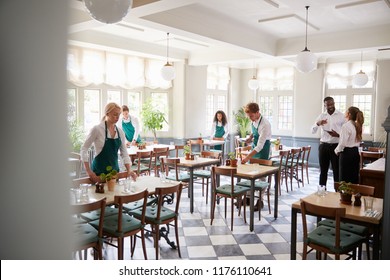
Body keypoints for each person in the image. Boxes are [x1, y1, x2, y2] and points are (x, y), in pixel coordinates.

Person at [80, 102, 137, 183]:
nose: (117, 117)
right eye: (114, 114)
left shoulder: (120, 132)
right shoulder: (97, 129)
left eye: (119, 114)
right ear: (107, 113)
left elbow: (124, 153)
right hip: (98, 174)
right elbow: (84, 149)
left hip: (114, 173)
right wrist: (89, 172)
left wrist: (129, 170)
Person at [311, 97, 345, 187]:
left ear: (334, 103)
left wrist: (337, 135)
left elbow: (346, 132)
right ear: (325, 105)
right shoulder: (322, 116)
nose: (330, 106)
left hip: (336, 146)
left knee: (336, 171)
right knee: (323, 171)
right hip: (324, 146)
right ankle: (322, 190)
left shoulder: (341, 115)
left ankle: (337, 192)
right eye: (328, 105)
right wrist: (318, 123)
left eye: (332, 104)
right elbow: (312, 131)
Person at [334, 106, 364, 184]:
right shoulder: (358, 125)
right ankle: (353, 195)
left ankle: (344, 196)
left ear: (349, 114)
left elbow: (343, 143)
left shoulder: (346, 126)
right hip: (355, 153)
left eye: (346, 111)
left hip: (346, 154)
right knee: (353, 178)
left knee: (344, 179)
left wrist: (336, 150)